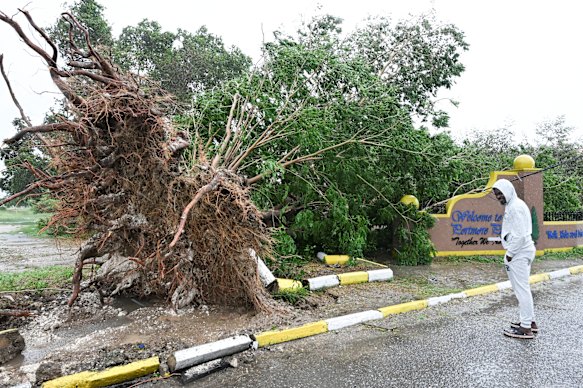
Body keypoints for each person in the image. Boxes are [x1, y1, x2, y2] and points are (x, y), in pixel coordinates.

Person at [492, 179, 538, 339]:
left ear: (509, 191)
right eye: (496, 194)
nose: (498, 196)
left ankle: (525, 328)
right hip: (523, 251)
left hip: (519, 253)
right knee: (523, 288)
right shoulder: (514, 205)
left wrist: (509, 255)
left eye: (500, 193)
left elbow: (520, 235)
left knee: (521, 290)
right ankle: (529, 321)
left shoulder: (516, 208)